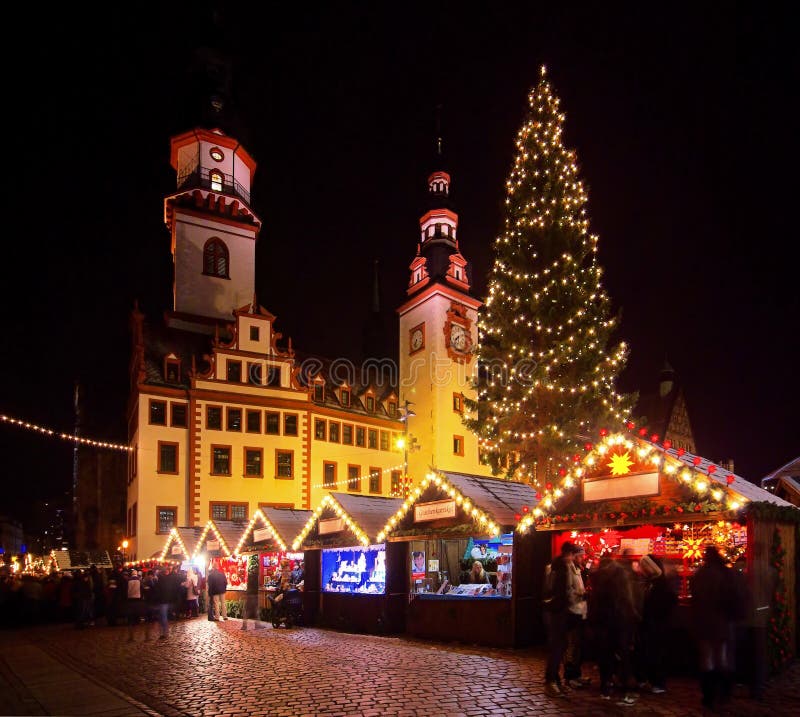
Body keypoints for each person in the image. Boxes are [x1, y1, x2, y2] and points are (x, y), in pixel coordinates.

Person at [691, 546, 738, 710]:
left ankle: (708, 696)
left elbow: (694, 599)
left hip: (704, 623)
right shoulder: (726, 574)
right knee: (723, 659)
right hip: (722, 623)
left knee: (707, 660)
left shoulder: (700, 575)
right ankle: (724, 693)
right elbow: (734, 598)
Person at [588, 556, 639, 705]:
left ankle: (606, 687)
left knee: (605, 655)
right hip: (620, 621)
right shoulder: (620, 576)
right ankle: (628, 690)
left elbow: (595, 603)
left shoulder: (598, 578)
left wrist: (593, 622)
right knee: (624, 655)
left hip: (604, 622)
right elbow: (627, 600)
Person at [542, 542, 579, 698]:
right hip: (557, 611)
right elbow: (559, 591)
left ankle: (556, 680)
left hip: (558, 610)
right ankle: (551, 681)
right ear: (568, 554)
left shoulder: (558, 566)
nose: (574, 558)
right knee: (557, 647)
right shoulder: (560, 568)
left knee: (560, 646)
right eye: (573, 554)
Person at [637, 554, 677, 694]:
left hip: (657, 624)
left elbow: (665, 604)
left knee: (657, 653)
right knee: (650, 652)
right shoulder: (650, 583)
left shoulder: (660, 585)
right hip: (650, 624)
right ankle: (651, 679)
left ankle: (658, 681)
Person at [563, 547, 590, 688]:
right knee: (573, 645)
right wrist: (580, 593)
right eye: (580, 556)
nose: (583, 559)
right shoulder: (569, 570)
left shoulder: (579, 570)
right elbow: (568, 590)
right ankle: (570, 676)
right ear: (574, 556)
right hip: (573, 611)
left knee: (579, 645)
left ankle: (577, 674)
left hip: (580, 611)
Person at [241, 559, 263, 631]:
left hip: (250, 594)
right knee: (253, 611)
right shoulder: (256, 578)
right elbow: (257, 586)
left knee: (249, 610)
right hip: (254, 595)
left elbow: (248, 586)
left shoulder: (250, 577)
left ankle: (246, 625)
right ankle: (255, 625)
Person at [125, 569, 145, 641]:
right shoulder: (139, 580)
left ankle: (131, 623)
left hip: (130, 598)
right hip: (138, 598)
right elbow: (142, 588)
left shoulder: (128, 580)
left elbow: (126, 589)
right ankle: (137, 621)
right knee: (137, 612)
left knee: (131, 613)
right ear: (136, 574)